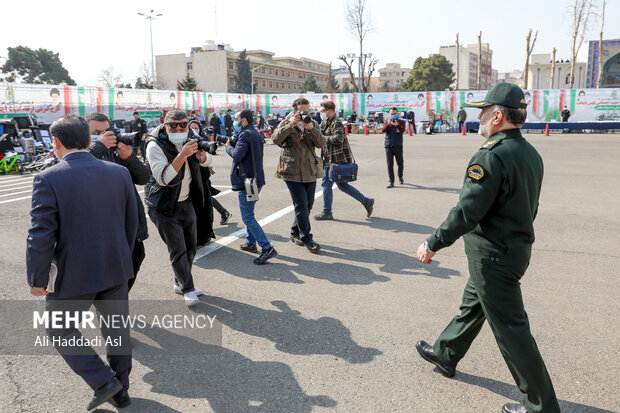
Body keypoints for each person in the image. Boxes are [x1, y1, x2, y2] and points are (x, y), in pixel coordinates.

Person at [415, 83, 560, 413]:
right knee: (473, 304)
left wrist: (432, 243)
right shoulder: (529, 153)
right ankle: (446, 352)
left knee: (512, 331)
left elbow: (468, 211)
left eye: (483, 111)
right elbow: (529, 207)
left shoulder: (491, 155)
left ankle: (541, 406)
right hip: (513, 249)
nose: (478, 117)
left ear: (497, 116)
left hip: (493, 256)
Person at [26, 114, 137, 410]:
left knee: (58, 328)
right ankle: (120, 389)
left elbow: (41, 235)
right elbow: (131, 223)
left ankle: (105, 382)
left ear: (56, 142)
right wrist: (123, 257)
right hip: (116, 265)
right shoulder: (119, 173)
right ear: (90, 141)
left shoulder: (48, 177)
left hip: (74, 273)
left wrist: (37, 279)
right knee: (117, 329)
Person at [144, 110, 213, 306]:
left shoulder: (191, 137)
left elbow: (210, 161)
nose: (178, 129)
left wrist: (202, 158)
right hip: (163, 206)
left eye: (182, 124)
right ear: (164, 125)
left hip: (187, 202)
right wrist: (182, 154)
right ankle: (188, 289)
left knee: (191, 246)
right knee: (178, 249)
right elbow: (164, 178)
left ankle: (179, 282)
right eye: (173, 125)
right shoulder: (154, 144)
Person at [86, 112, 150, 292]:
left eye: (107, 131)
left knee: (135, 261)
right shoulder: (81, 153)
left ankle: (115, 305)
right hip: (103, 230)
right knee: (109, 278)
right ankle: (110, 310)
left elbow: (144, 178)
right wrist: (98, 147)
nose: (105, 136)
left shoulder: (116, 151)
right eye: (97, 132)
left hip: (129, 224)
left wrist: (130, 158)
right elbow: (80, 172)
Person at [272, 97, 325, 253]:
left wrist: (310, 128)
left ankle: (295, 233)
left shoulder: (312, 124)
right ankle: (307, 238)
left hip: (309, 170)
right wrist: (291, 125)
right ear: (295, 110)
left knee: (307, 206)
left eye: (307, 111)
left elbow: (321, 144)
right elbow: (275, 139)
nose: (304, 114)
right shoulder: (287, 122)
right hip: (292, 170)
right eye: (302, 111)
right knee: (301, 205)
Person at [226, 110, 277, 264]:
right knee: (250, 213)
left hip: (247, 181)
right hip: (255, 179)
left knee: (248, 217)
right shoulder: (254, 133)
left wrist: (228, 147)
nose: (234, 121)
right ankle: (250, 243)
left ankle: (267, 248)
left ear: (244, 120)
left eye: (236, 119)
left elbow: (237, 155)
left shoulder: (244, 135)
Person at [314, 100, 374, 220]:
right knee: (342, 185)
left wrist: (323, 138)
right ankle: (366, 201)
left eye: (323, 111)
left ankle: (327, 212)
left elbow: (339, 138)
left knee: (326, 184)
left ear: (330, 111)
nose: (321, 113)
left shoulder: (336, 122)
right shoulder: (326, 122)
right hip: (329, 157)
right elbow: (318, 133)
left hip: (336, 158)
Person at [189, 121, 232, 226]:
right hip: (190, 174)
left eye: (196, 127)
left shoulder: (201, 140)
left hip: (201, 173)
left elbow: (209, 154)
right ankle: (224, 212)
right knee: (202, 195)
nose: (194, 129)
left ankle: (223, 213)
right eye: (192, 127)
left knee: (204, 195)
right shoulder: (186, 139)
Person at [382, 107, 406, 188]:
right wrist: (388, 124)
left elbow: (402, 130)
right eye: (391, 114)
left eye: (394, 114)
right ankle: (391, 181)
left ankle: (400, 176)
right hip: (388, 145)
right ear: (389, 114)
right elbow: (383, 130)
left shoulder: (401, 122)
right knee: (389, 164)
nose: (393, 115)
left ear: (397, 114)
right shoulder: (386, 122)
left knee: (400, 163)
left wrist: (397, 125)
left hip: (398, 145)